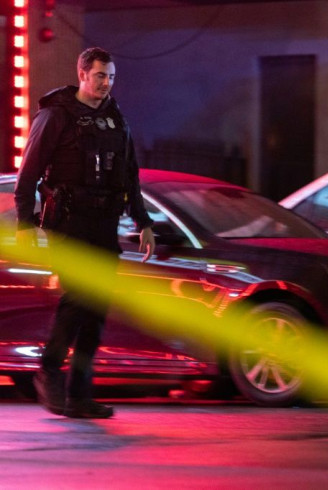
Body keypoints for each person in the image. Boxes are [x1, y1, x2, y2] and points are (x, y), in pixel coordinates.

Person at [14, 47, 156, 419]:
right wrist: (25, 225)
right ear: (82, 74)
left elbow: (130, 175)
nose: (106, 83)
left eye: (110, 76)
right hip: (68, 223)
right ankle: (48, 370)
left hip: (104, 224)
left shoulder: (115, 119)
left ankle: (80, 394)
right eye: (99, 76)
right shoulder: (56, 115)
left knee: (96, 309)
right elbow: (27, 174)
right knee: (79, 297)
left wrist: (143, 223)